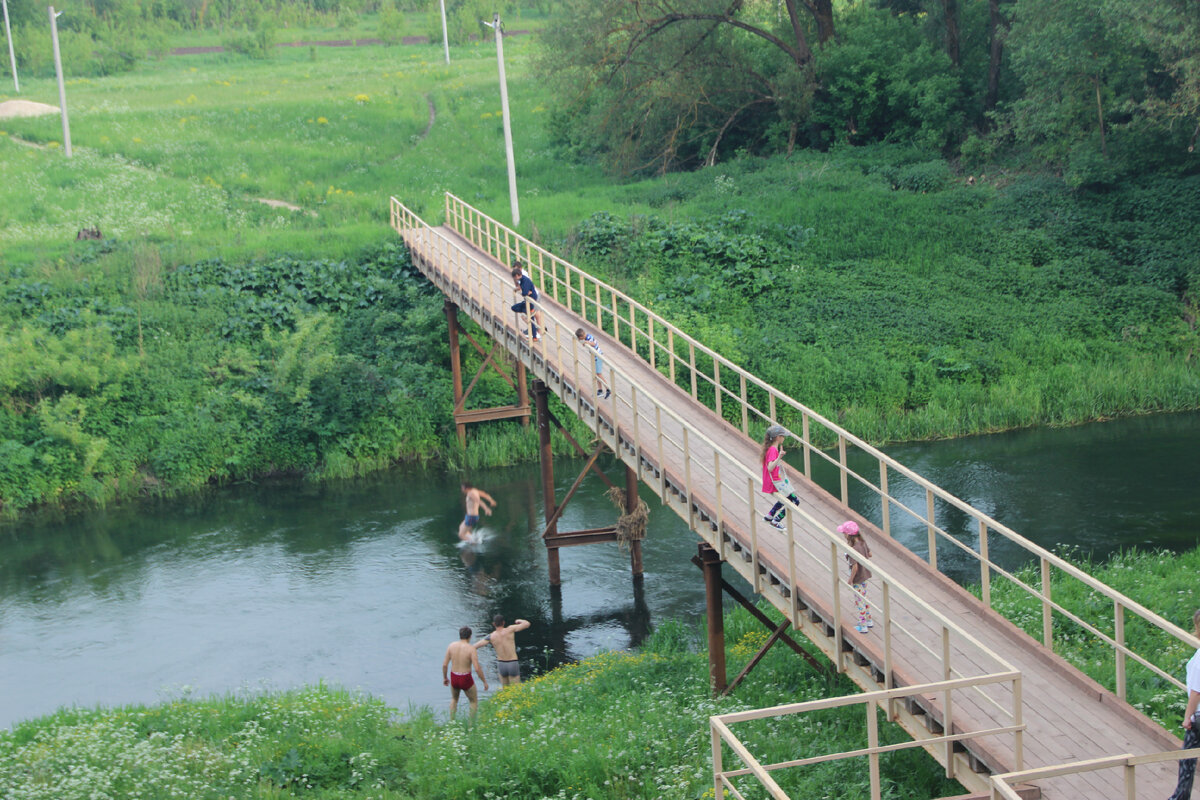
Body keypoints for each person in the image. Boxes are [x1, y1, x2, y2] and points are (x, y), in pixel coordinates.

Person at [1167, 608, 1200, 800]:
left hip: (1198, 719)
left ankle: (1180, 798)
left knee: (1187, 759)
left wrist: (1187, 717)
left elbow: (1197, 691)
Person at [442, 625, 489, 720]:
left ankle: (452, 722)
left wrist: (445, 678)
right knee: (473, 701)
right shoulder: (471, 649)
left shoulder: (451, 646)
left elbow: (444, 665)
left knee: (454, 699)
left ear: (460, 635)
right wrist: (484, 681)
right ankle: (471, 725)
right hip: (465, 678)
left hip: (454, 676)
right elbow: (476, 668)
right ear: (470, 636)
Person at [760, 424, 801, 530]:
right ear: (778, 437)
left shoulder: (770, 449)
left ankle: (769, 516)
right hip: (775, 482)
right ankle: (776, 520)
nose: (784, 438)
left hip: (772, 481)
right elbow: (770, 467)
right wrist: (779, 457)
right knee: (795, 501)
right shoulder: (773, 450)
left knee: (786, 497)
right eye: (783, 436)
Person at [476, 614, 531, 686]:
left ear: (494, 624)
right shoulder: (510, 629)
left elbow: (475, 646)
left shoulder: (490, 636)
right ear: (503, 622)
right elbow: (527, 624)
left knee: (505, 691)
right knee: (516, 691)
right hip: (512, 663)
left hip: (501, 664)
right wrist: (519, 620)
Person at [839, 520, 873, 633]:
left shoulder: (853, 549)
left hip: (858, 577)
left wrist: (850, 580)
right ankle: (869, 620)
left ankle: (863, 625)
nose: (843, 535)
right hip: (865, 575)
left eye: (844, 533)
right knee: (864, 597)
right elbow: (870, 554)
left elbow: (855, 567)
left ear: (848, 535)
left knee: (859, 601)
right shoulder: (862, 542)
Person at [575, 327, 611, 399]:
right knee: (596, 374)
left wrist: (586, 342)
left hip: (598, 356)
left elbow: (594, 344)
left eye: (580, 339)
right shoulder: (586, 338)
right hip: (594, 357)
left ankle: (608, 389)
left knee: (599, 374)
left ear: (581, 336)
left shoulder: (589, 337)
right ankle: (600, 390)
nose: (580, 340)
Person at [510, 262, 541, 342]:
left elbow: (526, 290)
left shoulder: (524, 277)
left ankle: (536, 333)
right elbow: (522, 288)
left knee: (529, 316)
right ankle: (535, 331)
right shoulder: (520, 278)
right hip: (528, 300)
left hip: (533, 298)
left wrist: (528, 292)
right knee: (515, 308)